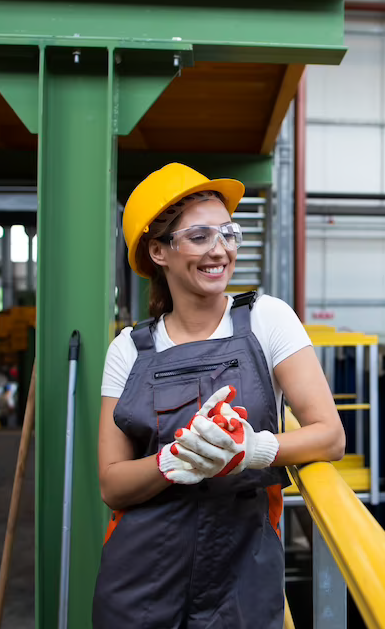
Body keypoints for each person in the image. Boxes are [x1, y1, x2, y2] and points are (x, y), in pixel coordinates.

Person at [93, 163, 345, 628]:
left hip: (242, 576)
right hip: (140, 581)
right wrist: (173, 461)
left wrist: (252, 451)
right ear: (158, 251)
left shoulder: (267, 319)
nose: (221, 250)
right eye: (201, 236)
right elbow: (112, 484)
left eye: (229, 233)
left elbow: (329, 436)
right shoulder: (128, 349)